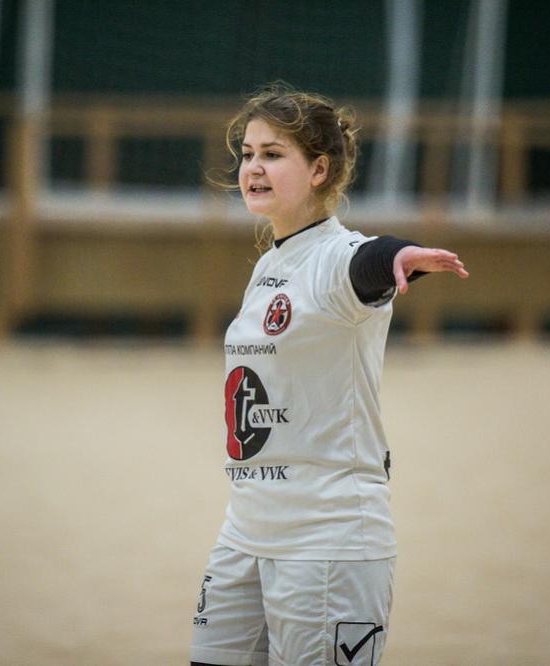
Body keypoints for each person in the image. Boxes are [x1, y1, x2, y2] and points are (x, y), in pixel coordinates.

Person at [190, 84, 468, 666]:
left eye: (273, 154)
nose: (253, 167)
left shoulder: (333, 258)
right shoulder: (272, 263)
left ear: (319, 169)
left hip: (326, 539)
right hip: (246, 531)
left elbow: (368, 262)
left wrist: (400, 258)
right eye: (247, 153)